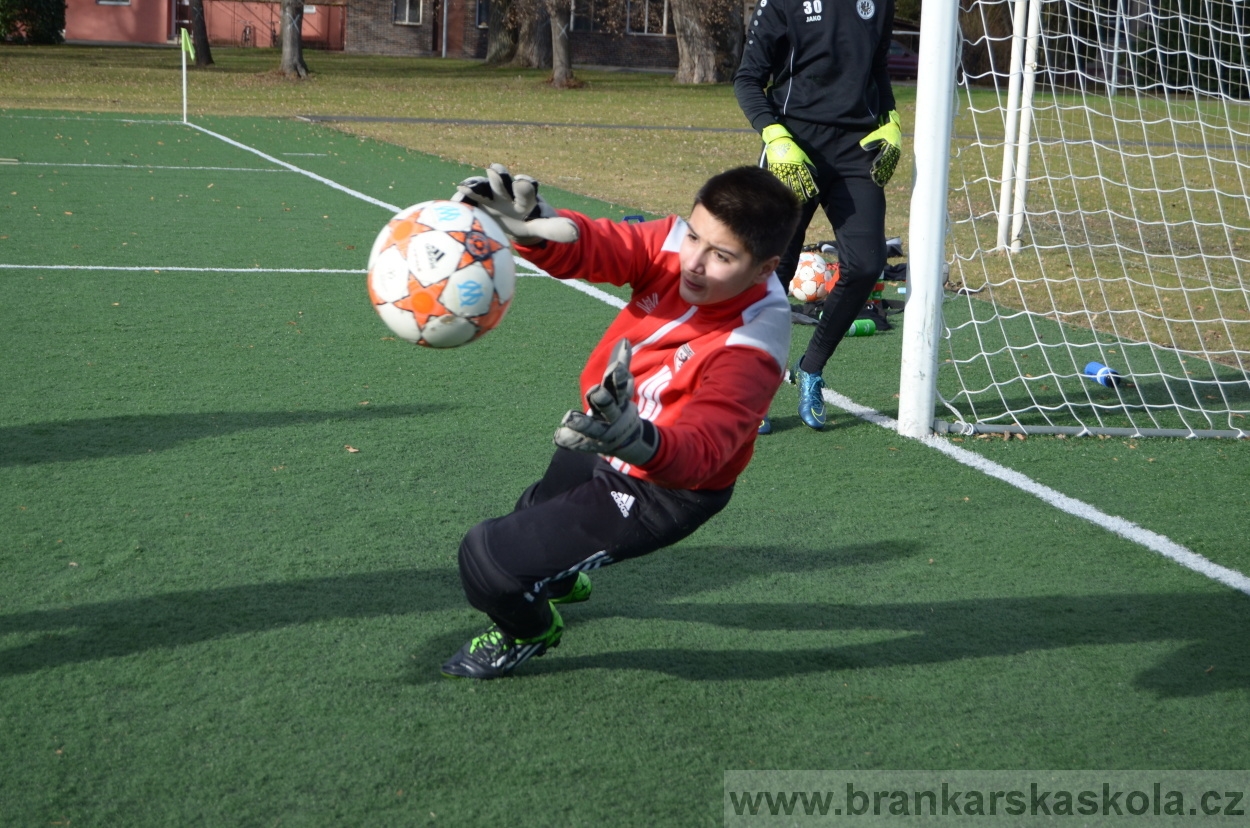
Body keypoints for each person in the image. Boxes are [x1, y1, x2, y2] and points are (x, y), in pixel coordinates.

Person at [439, 164, 800, 679]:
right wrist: (536, 227)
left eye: (721, 256)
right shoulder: (677, 244)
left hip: (665, 487)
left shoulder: (755, 342)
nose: (693, 262)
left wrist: (638, 440)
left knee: (488, 561)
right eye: (695, 237)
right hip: (604, 428)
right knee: (535, 506)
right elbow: (609, 245)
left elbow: (704, 450)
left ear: (766, 267)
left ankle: (529, 629)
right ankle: (565, 580)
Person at [734, 0, 903, 432]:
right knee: (774, 269)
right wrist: (774, 136)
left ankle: (811, 367)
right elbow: (748, 79)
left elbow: (877, 67)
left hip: (856, 150)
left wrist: (891, 119)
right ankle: (753, 385)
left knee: (866, 264)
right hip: (795, 143)